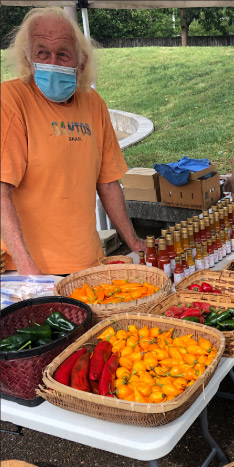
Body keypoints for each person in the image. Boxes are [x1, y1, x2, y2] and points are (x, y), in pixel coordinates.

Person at [0, 7, 146, 275]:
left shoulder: (93, 103)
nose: (52, 62)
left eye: (63, 53)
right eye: (42, 52)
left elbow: (108, 182)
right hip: (30, 272)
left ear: (81, 63)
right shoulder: (10, 100)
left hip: (88, 262)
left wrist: (135, 242)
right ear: (28, 58)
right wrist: (27, 270)